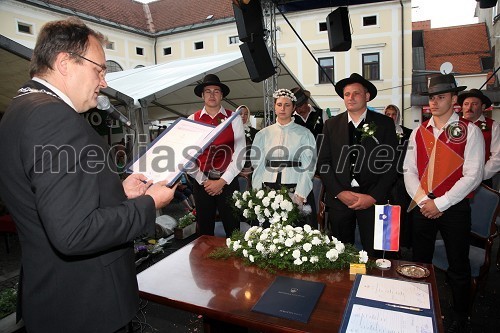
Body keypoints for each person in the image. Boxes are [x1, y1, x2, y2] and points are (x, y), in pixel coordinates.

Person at [0, 17, 177, 333]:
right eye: (100, 69)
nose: (105, 82)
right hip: (86, 304)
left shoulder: (19, 111)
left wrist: (119, 193)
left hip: (55, 297)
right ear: (65, 63)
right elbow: (74, 232)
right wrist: (149, 204)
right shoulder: (54, 119)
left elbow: (54, 202)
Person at [403, 74, 484, 331]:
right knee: (419, 261)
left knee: (457, 264)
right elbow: (408, 171)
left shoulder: (470, 131)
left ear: (454, 99)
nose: (434, 102)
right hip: (422, 205)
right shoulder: (418, 131)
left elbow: (474, 175)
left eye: (441, 97)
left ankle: (461, 315)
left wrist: (442, 203)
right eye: (431, 97)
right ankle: (419, 309)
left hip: (455, 207)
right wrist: (424, 200)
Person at [317, 73, 398, 257]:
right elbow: (323, 164)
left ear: (367, 96)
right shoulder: (331, 125)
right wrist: (339, 192)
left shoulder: (384, 124)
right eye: (347, 94)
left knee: (379, 255)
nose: (350, 98)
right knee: (339, 255)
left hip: (374, 200)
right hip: (340, 202)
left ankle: (376, 285)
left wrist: (373, 197)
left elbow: (391, 165)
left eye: (356, 93)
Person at [187, 74, 245, 237]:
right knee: (204, 232)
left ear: (222, 95)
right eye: (208, 91)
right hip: (202, 183)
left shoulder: (234, 118)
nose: (212, 95)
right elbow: (187, 157)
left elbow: (240, 155)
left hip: (228, 182)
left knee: (233, 230)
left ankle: (234, 263)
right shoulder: (192, 119)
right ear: (202, 95)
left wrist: (222, 181)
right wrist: (204, 181)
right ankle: (205, 263)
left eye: (216, 91)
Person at [251, 88, 317, 227]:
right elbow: (258, 165)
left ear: (293, 108)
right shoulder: (262, 134)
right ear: (274, 107)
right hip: (269, 188)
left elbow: (309, 166)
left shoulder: (305, 133)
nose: (283, 108)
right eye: (279, 104)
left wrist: (300, 193)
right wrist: (257, 192)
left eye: (287, 105)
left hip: (295, 187)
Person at [384, 104, 413, 248]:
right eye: (387, 114)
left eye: (393, 114)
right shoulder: (379, 133)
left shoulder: (408, 132)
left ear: (398, 116)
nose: (390, 117)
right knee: (389, 212)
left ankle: (404, 242)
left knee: (403, 211)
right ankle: (389, 243)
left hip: (404, 179)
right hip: (386, 179)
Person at [458, 88, 500, 188]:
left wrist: (479, 176)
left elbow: (497, 157)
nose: (469, 107)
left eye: (474, 104)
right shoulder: (453, 126)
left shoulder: (493, 126)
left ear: (483, 107)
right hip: (456, 180)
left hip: (482, 181)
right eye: (466, 104)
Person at [239, 105, 258, 176]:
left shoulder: (255, 132)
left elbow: (257, 151)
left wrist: (251, 167)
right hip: (233, 169)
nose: (243, 116)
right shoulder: (231, 131)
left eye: (246, 114)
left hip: (250, 168)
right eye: (240, 113)